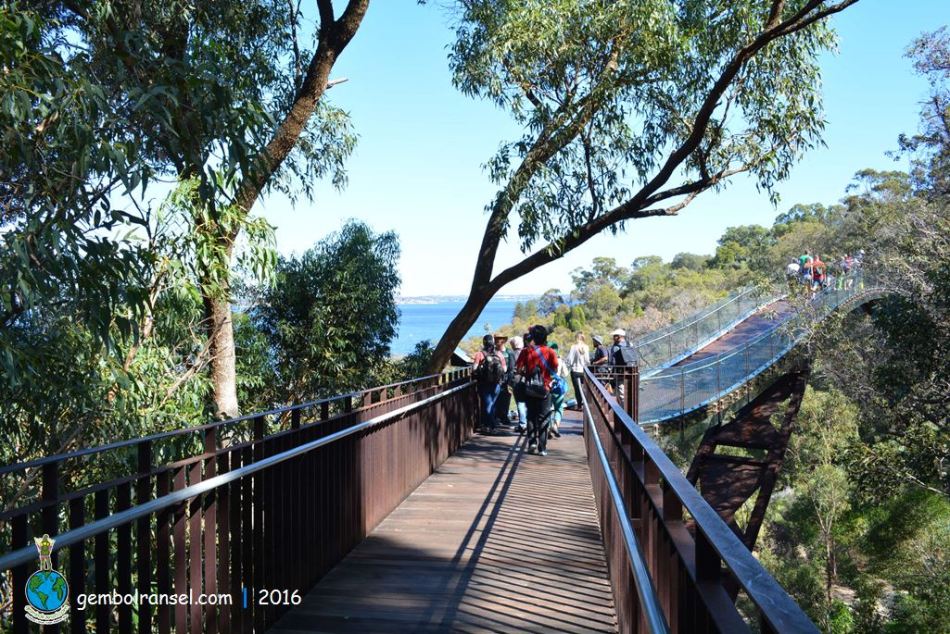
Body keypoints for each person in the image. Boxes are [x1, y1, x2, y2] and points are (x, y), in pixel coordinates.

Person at [515, 325, 559, 456]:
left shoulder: (526, 351)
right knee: (544, 417)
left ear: (532, 337)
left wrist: (528, 372)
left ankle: (532, 443)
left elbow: (518, 369)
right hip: (545, 389)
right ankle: (542, 447)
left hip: (529, 389)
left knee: (531, 416)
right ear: (545, 337)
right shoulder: (550, 352)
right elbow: (555, 369)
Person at [472, 334, 506, 433]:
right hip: (497, 384)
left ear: (484, 342)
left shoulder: (480, 354)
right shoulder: (499, 354)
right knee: (492, 404)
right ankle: (487, 425)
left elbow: (474, 368)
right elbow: (504, 369)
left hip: (484, 383)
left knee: (488, 404)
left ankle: (492, 427)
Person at [548, 342, 570, 438]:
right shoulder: (560, 360)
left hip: (547, 387)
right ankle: (555, 425)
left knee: (547, 409)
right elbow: (565, 374)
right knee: (559, 408)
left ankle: (548, 429)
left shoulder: (544, 360)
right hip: (558, 388)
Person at [492, 333, 514, 427]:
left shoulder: (509, 352)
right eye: (496, 339)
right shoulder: (493, 352)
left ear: (504, 340)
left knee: (506, 399)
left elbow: (512, 368)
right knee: (496, 399)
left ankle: (504, 417)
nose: (498, 341)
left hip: (506, 380)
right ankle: (496, 417)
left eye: (500, 339)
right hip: (495, 380)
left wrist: (510, 381)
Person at [509, 336, 528, 434]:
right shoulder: (526, 351)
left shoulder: (512, 354)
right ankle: (529, 423)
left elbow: (512, 368)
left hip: (517, 380)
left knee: (520, 402)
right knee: (528, 402)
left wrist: (510, 382)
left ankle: (522, 424)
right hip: (527, 379)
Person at [566, 333, 590, 410]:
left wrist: (568, 366)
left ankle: (579, 405)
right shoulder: (586, 347)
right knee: (584, 388)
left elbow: (570, 360)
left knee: (577, 389)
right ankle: (585, 405)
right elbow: (587, 360)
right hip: (583, 370)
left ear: (577, 338)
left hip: (575, 370)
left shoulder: (573, 347)